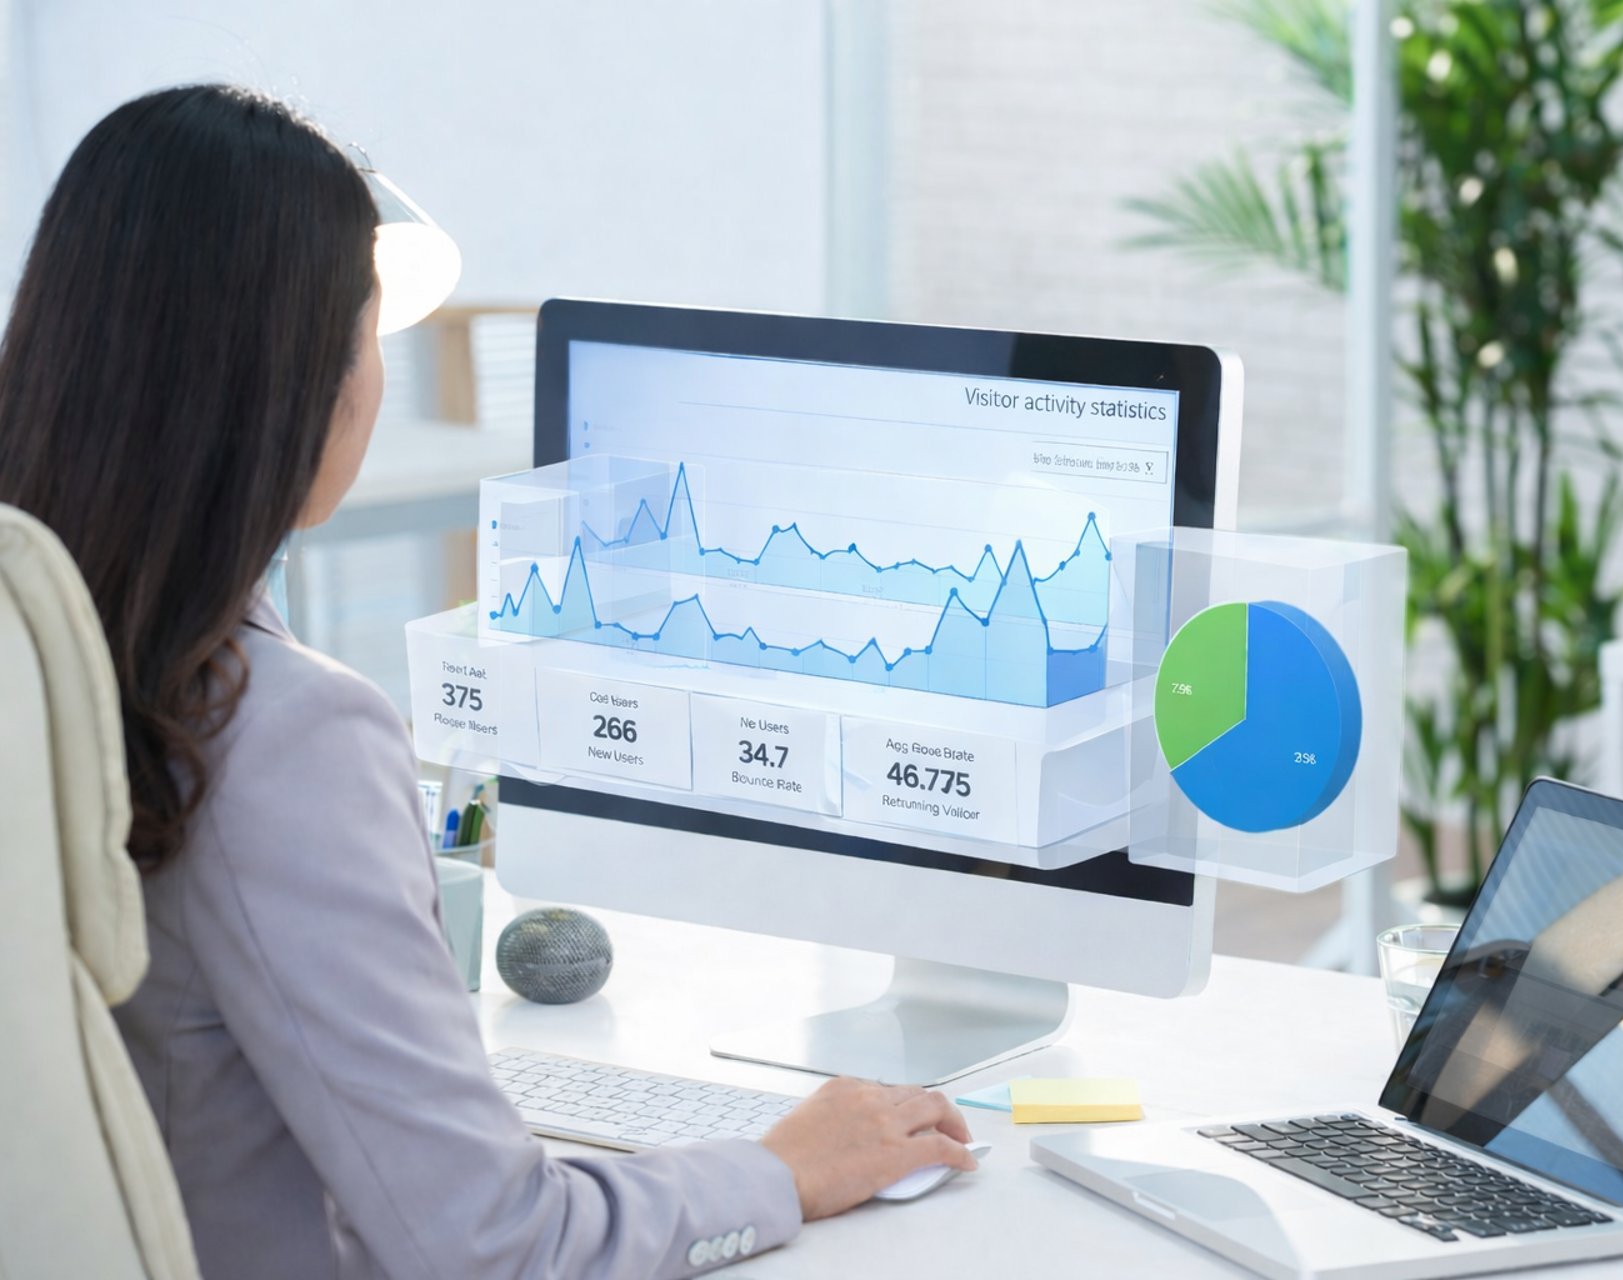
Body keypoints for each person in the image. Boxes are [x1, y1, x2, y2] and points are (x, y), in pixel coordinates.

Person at [0, 84, 974, 1280]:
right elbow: (489, 1245)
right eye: (371, 334)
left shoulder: (39, 651)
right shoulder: (279, 733)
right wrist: (780, 1168)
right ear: (305, 381)